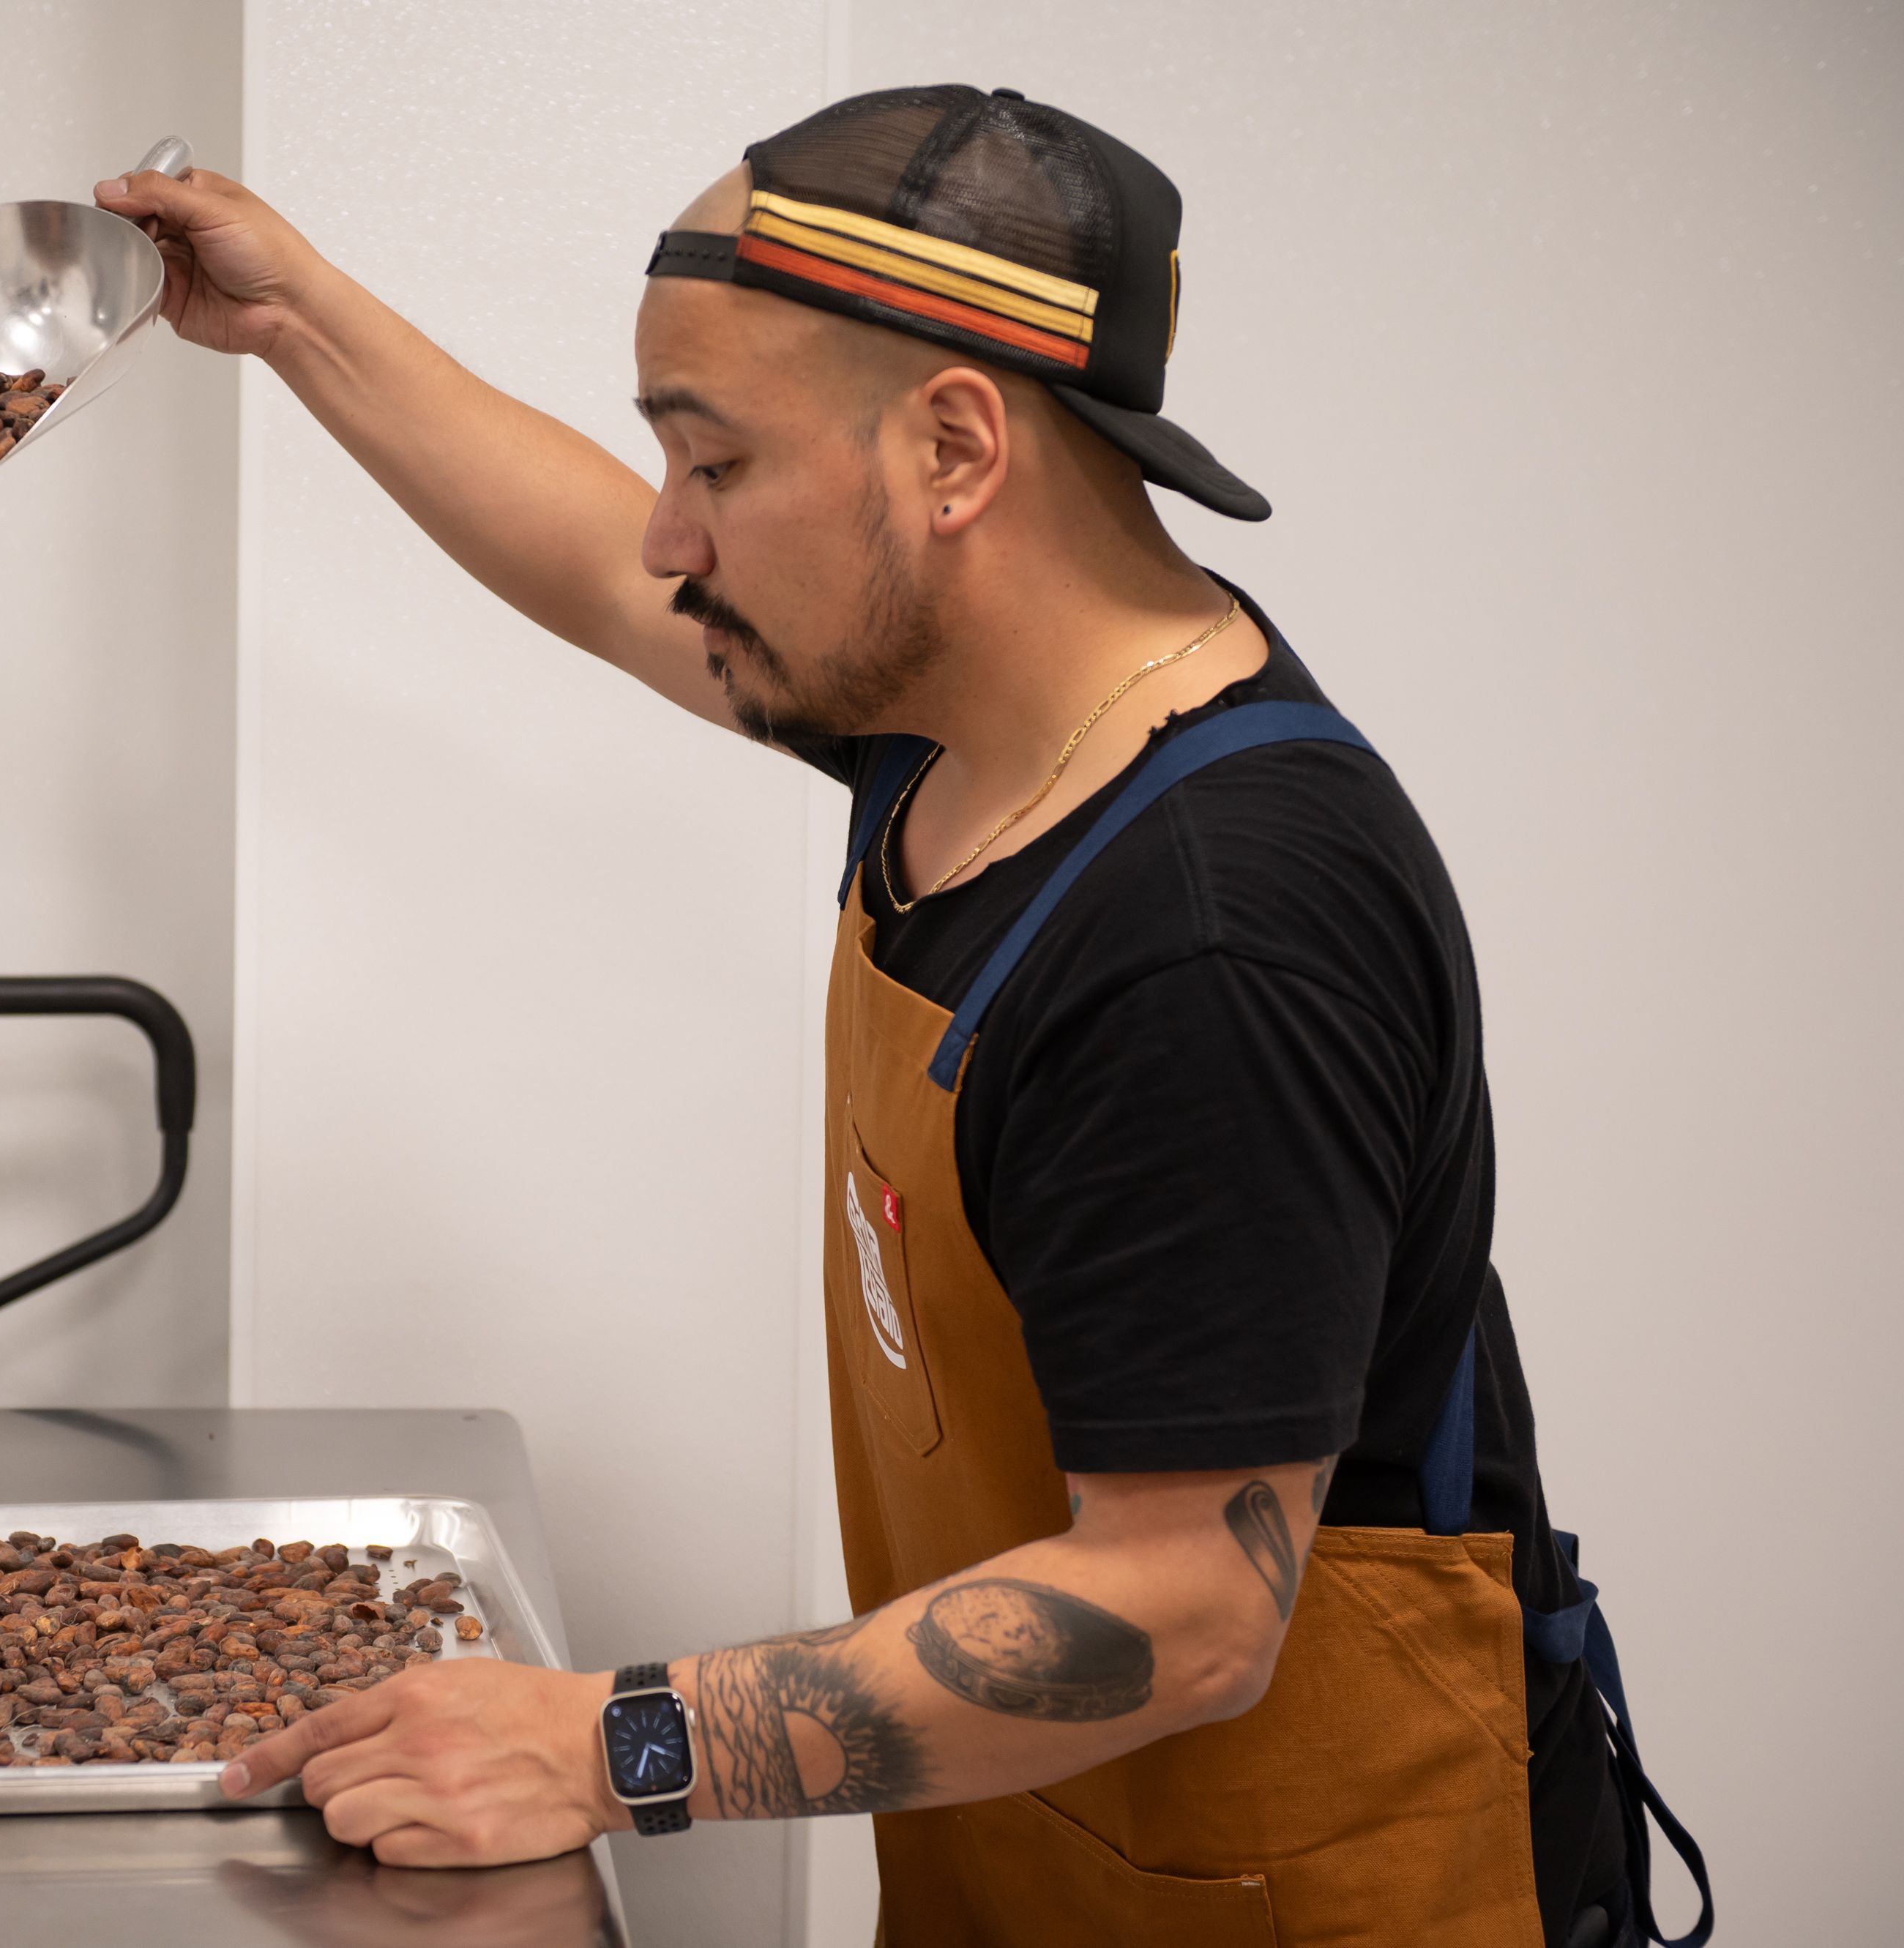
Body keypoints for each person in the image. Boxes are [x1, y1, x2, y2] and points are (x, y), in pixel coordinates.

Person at [95, 86, 1708, 1948]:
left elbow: (1187, 1602)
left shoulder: (1209, 936)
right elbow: (595, 569)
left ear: (952, 448)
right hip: (1035, 1871)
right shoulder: (955, 717)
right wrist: (292, 310)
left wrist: (612, 1742)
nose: (669, 541)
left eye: (714, 465)